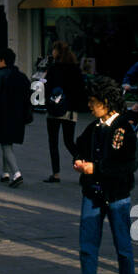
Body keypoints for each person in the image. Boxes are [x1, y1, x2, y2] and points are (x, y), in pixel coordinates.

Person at [69, 76, 138, 274]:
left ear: (106, 101)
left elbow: (129, 164)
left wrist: (96, 168)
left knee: (123, 245)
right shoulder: (94, 127)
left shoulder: (123, 129)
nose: (89, 105)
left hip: (117, 195)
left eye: (93, 101)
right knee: (87, 241)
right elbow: (78, 145)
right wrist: (79, 160)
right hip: (92, 193)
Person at [0, 47, 33, 188]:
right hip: (17, 116)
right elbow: (29, 97)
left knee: (5, 143)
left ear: (2, 61)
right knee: (6, 142)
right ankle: (5, 172)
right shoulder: (22, 77)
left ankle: (16, 173)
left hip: (2, 115)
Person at [43, 41, 85, 183]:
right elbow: (80, 90)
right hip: (70, 110)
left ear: (58, 52)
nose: (52, 52)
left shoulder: (54, 69)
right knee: (69, 141)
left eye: (53, 49)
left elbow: (47, 88)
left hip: (55, 110)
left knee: (53, 142)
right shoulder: (75, 69)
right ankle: (84, 166)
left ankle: (56, 174)